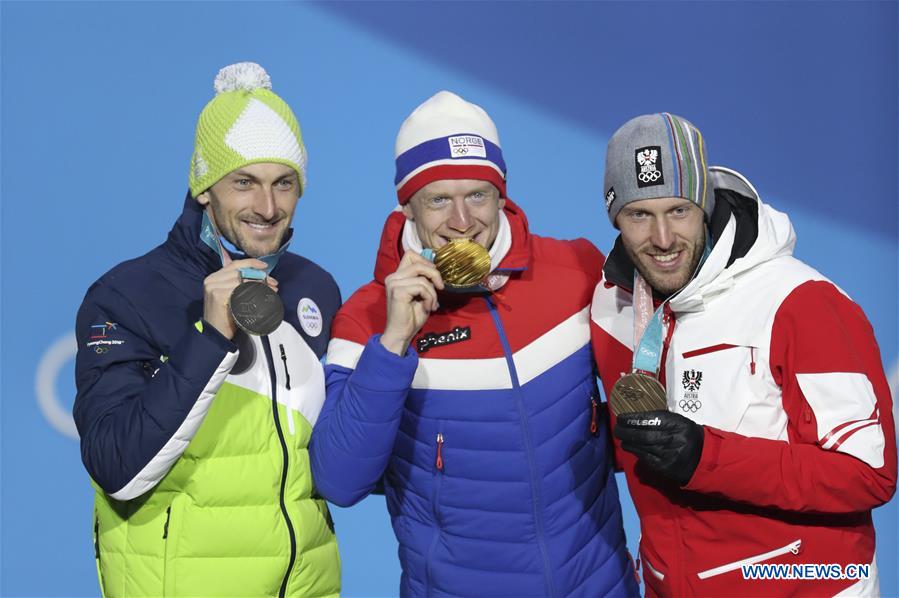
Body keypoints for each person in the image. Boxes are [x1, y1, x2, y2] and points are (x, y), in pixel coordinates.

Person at [310, 91, 638, 597]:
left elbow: (635, 418)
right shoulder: (367, 318)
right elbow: (338, 479)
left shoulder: (575, 271)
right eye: (439, 199)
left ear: (501, 195)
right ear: (407, 208)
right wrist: (393, 343)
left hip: (598, 585)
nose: (462, 221)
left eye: (478, 195)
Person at [591, 112, 897, 596]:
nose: (663, 239)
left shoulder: (800, 302)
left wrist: (706, 457)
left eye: (678, 211)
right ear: (615, 219)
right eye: (639, 216)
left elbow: (867, 473)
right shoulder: (612, 305)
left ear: (705, 204)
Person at [73, 62, 341, 597]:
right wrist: (210, 337)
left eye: (283, 183)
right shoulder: (127, 294)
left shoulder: (315, 288)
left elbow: (342, 463)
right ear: (203, 188)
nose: (267, 208)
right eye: (244, 182)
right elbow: (116, 468)